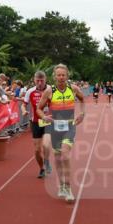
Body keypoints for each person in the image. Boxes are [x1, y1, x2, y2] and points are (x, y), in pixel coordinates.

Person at [38, 64, 85, 203]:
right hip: (55, 127)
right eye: (58, 75)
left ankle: (69, 188)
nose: (61, 77)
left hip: (70, 126)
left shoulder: (74, 89)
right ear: (54, 76)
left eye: (63, 75)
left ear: (67, 76)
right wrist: (43, 117)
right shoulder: (49, 91)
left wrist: (82, 113)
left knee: (65, 153)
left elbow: (82, 99)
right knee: (58, 158)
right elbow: (39, 109)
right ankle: (62, 185)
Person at [24, 71, 52, 179]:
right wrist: (23, 110)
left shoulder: (51, 90)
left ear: (46, 79)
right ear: (34, 80)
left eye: (42, 80)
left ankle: (47, 161)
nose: (40, 82)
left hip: (48, 121)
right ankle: (42, 168)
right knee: (36, 149)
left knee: (45, 145)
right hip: (36, 122)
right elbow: (24, 104)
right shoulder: (30, 91)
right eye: (37, 80)